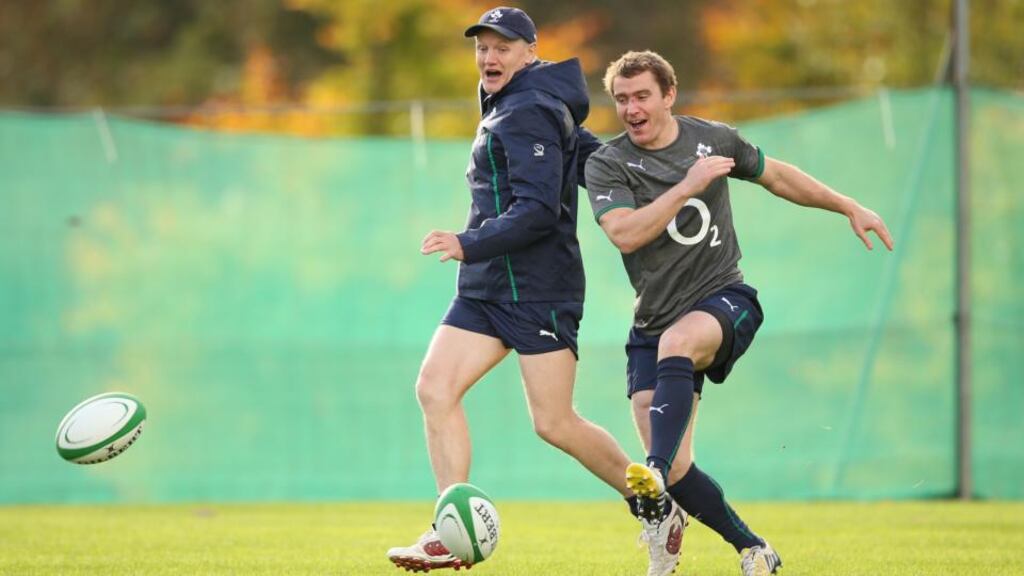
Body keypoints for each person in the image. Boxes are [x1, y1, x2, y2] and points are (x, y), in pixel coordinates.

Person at [386, 10, 685, 574]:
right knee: (434, 388)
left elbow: (539, 212)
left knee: (554, 422)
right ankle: (450, 531)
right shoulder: (514, 102)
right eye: (482, 48)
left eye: (503, 47)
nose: (490, 58)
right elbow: (589, 158)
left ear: (530, 51)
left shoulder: (529, 109)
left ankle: (653, 504)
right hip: (487, 288)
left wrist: (466, 241)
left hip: (540, 290)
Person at [585, 51, 895, 576]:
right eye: (621, 99)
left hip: (725, 300)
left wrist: (848, 205)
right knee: (681, 466)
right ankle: (754, 549)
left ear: (668, 96)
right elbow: (625, 232)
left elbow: (777, 177)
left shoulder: (713, 140)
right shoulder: (608, 163)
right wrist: (688, 184)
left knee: (676, 359)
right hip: (652, 322)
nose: (631, 108)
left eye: (642, 96)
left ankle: (652, 471)